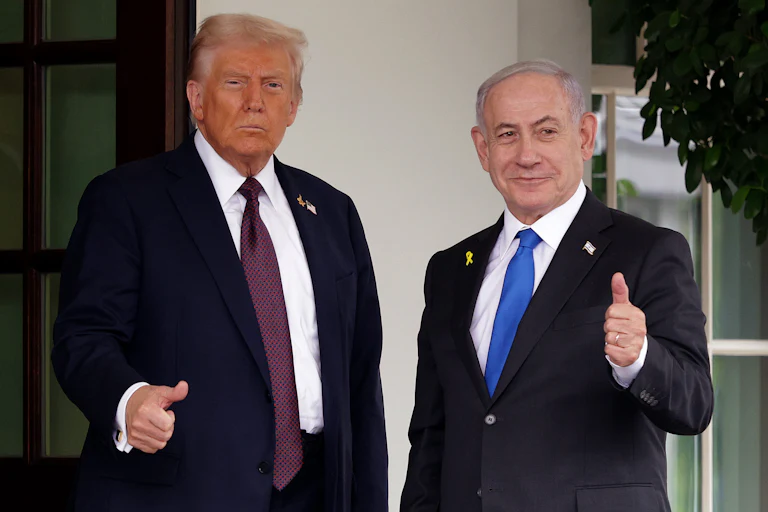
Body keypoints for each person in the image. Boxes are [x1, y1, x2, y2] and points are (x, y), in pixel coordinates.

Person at [52, 13, 387, 512]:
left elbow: (361, 379)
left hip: (315, 492)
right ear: (197, 99)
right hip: (180, 492)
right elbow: (83, 337)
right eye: (235, 82)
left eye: (273, 85)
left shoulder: (331, 212)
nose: (256, 100)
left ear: (293, 106)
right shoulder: (127, 200)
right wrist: (128, 399)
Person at [400, 59, 713, 512]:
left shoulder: (648, 251)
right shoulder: (450, 269)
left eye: (547, 131)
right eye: (507, 134)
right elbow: (431, 434)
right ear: (482, 148)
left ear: (585, 136)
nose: (527, 154)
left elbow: (695, 405)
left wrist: (639, 359)